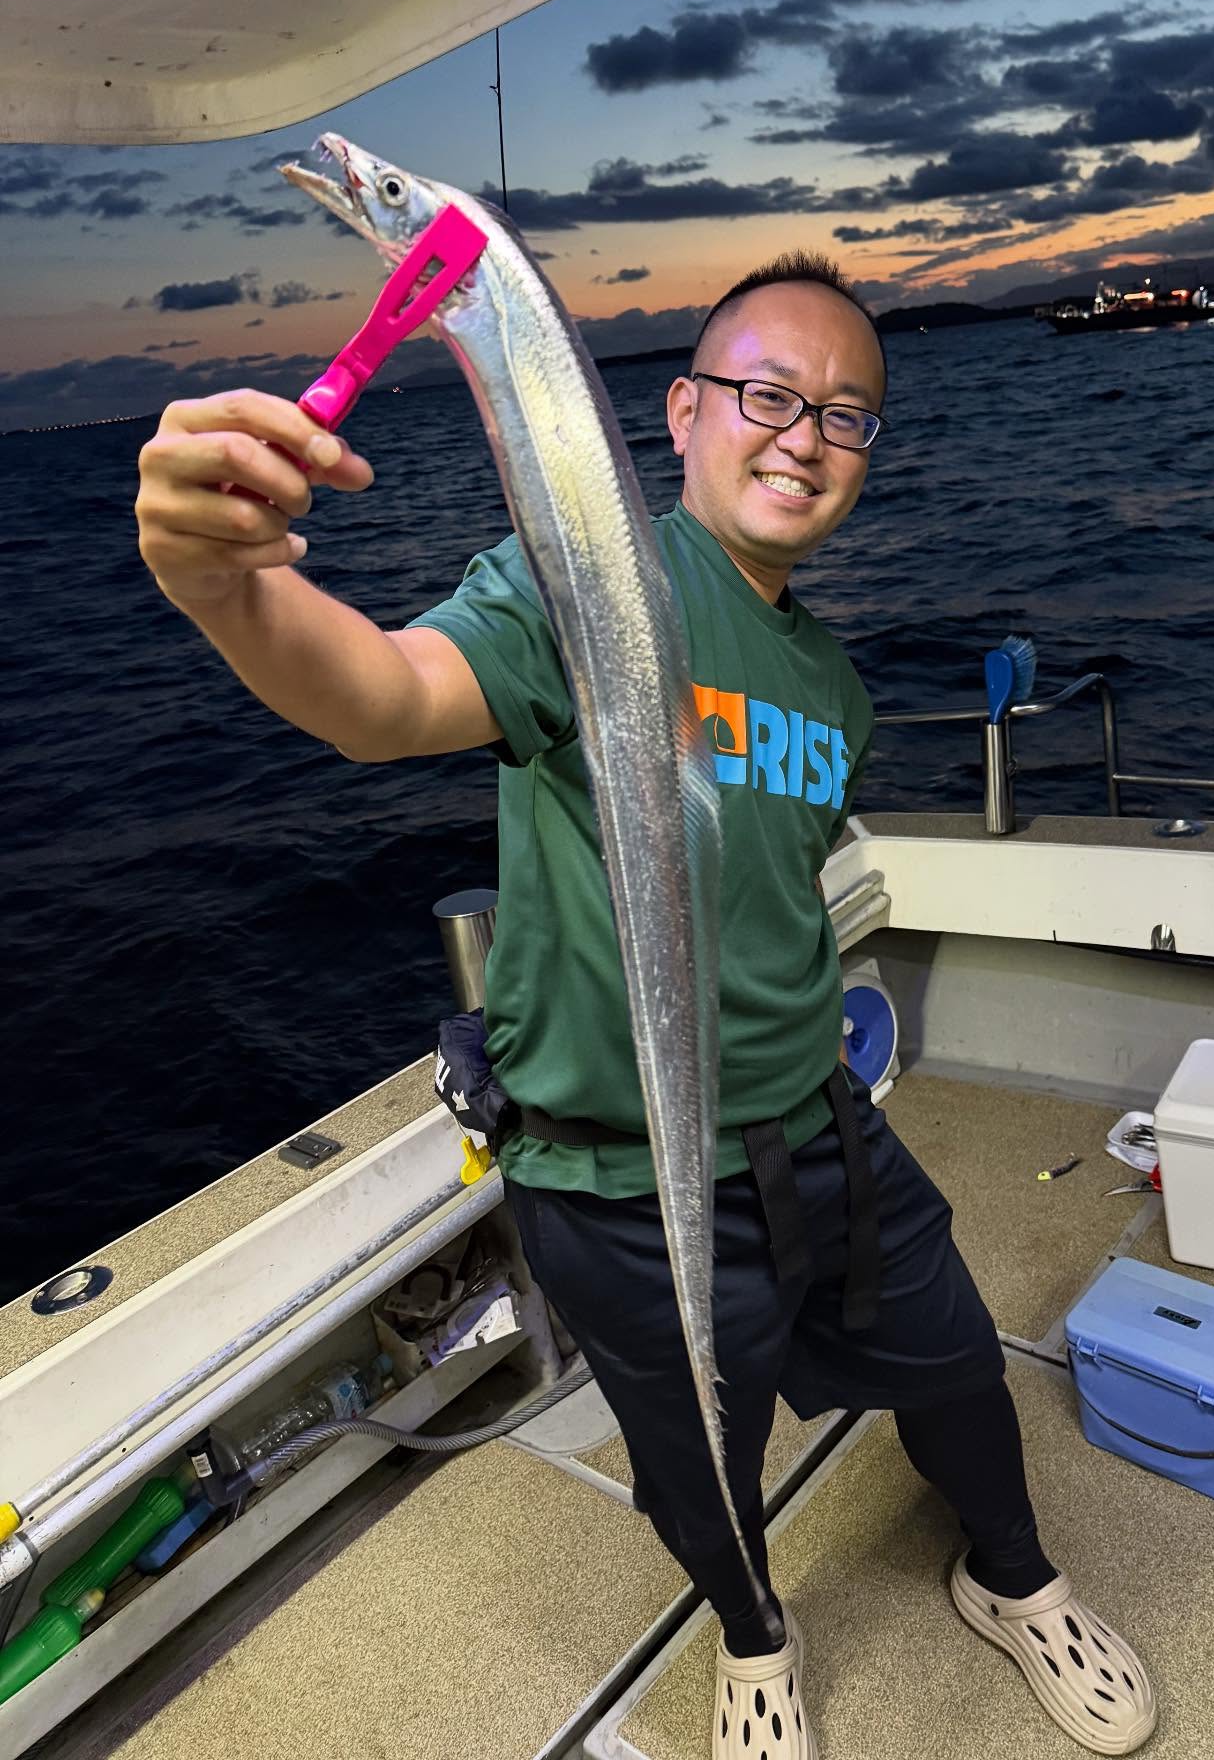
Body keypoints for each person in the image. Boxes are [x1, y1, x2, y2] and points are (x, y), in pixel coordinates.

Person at [135, 250, 1155, 1758]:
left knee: (953, 1357)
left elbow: (774, 887)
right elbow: (388, 696)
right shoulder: (586, 579)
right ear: (679, 414)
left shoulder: (837, 686)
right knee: (694, 1452)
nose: (804, 433)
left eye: (847, 413)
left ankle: (1011, 1577)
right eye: (766, 393)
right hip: (617, 1177)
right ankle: (754, 1638)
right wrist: (223, 584)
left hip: (822, 1131)